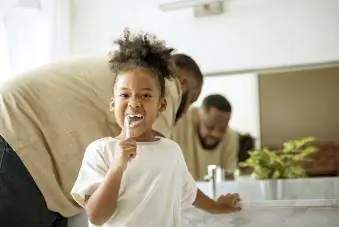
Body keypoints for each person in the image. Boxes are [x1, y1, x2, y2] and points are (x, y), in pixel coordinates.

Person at [0, 36, 203, 227]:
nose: (186, 111)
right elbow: (152, 153)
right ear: (183, 84)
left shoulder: (127, 71)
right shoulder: (163, 83)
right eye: (193, 98)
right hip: (16, 138)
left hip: (22, 138)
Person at [71, 29, 241, 227]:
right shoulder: (100, 151)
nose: (134, 103)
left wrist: (217, 207)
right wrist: (118, 166)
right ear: (112, 104)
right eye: (125, 95)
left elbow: (190, 192)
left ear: (161, 106)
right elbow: (97, 216)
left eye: (145, 95)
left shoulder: (171, 151)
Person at [172, 94, 239, 181]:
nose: (216, 134)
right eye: (210, 127)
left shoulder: (231, 137)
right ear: (199, 115)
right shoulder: (181, 122)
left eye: (222, 129)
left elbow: (229, 175)